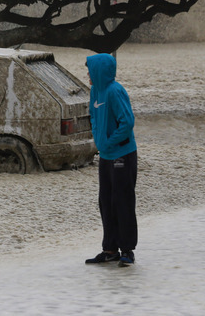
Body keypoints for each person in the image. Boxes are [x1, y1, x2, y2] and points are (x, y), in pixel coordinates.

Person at [84, 53, 138, 267]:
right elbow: (93, 118)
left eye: (90, 69)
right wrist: (99, 141)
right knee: (106, 201)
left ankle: (127, 250)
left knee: (122, 200)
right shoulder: (95, 91)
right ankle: (109, 249)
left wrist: (108, 142)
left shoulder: (115, 91)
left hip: (122, 156)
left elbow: (127, 123)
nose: (87, 73)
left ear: (99, 71)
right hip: (106, 156)